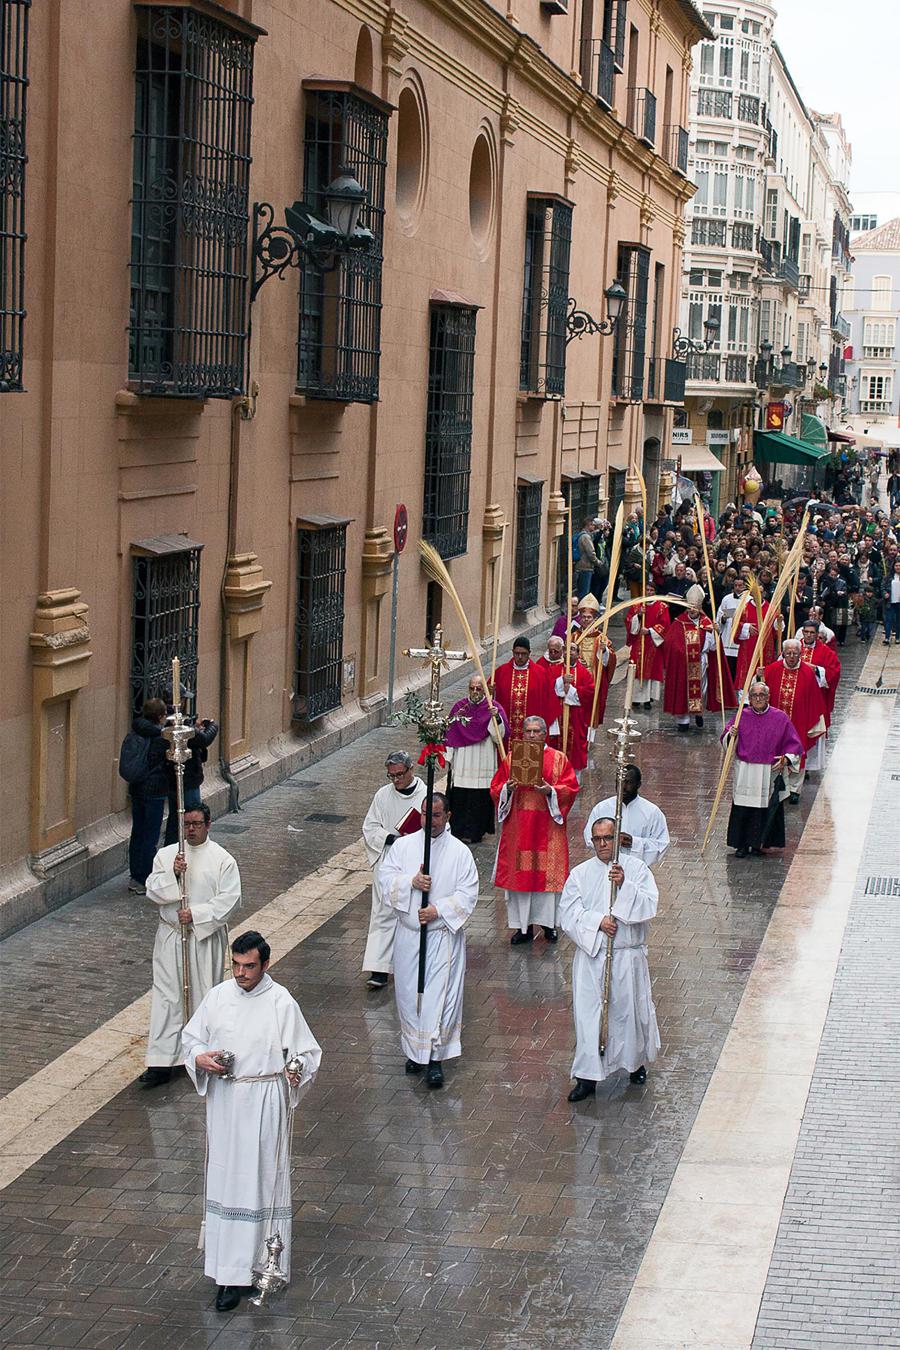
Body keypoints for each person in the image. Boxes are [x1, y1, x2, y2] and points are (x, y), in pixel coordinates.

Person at [182, 931, 321, 1312]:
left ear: (266, 964)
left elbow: (308, 1051)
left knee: (260, 1182)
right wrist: (200, 1059)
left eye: (249, 966)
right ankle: (227, 1274)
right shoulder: (218, 997)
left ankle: (263, 1265)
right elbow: (191, 1038)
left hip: (264, 1103)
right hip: (226, 1102)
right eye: (236, 965)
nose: (241, 973)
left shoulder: (280, 1002)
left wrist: (297, 1071)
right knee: (228, 1182)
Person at [379, 794, 479, 1089]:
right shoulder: (404, 846)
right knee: (410, 998)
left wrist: (438, 910)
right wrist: (410, 883)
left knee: (439, 999)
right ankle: (415, 1052)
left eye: (435, 815)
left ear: (448, 815)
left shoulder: (460, 853)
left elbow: (468, 893)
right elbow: (385, 879)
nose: (429, 821)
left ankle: (435, 1059)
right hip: (410, 937)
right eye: (424, 814)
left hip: (441, 939)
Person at [139, 802, 241, 1087]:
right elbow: (152, 890)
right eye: (186, 825)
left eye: (196, 824)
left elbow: (230, 900)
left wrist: (196, 915)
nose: (191, 830)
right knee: (167, 998)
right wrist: (172, 874)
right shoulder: (167, 855)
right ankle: (161, 1062)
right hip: (171, 937)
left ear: (209, 824)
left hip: (203, 939)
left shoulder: (223, 860)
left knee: (202, 995)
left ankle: (200, 1054)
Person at [560, 817, 660, 1102]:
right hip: (594, 958)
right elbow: (568, 913)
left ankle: (634, 1064)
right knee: (591, 1017)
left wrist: (625, 884)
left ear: (618, 838)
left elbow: (649, 905)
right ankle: (587, 1077)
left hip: (627, 958)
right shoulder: (580, 874)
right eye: (598, 839)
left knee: (628, 1013)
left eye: (608, 838)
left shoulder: (637, 869)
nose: (603, 844)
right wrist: (597, 922)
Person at [490, 715, 579, 945]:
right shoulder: (512, 758)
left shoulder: (559, 759)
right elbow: (496, 787)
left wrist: (550, 790)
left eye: (536, 731)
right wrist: (507, 790)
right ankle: (524, 928)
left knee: (547, 882)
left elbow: (570, 788)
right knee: (521, 882)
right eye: (527, 731)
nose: (531, 735)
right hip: (520, 829)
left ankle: (549, 926)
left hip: (547, 831)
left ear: (545, 733)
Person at [361, 752, 428, 990]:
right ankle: (379, 968)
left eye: (400, 775)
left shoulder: (426, 796)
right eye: (392, 776)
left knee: (411, 913)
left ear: (411, 770)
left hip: (414, 862)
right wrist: (390, 837)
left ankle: (410, 965)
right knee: (383, 912)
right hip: (389, 859)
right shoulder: (382, 795)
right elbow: (369, 827)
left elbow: (439, 826)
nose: (396, 780)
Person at [721, 684, 803, 858]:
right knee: (743, 808)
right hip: (746, 771)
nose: (758, 698)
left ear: (768, 697)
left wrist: (786, 759)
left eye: (762, 695)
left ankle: (759, 844)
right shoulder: (741, 716)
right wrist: (732, 734)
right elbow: (726, 739)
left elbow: (794, 745)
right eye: (754, 695)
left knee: (763, 809)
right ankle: (741, 845)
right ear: (749, 698)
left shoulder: (780, 718)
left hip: (768, 771)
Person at [662, 583, 736, 731]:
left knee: (701, 690)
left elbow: (714, 648)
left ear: (699, 607)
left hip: (701, 662)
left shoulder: (707, 623)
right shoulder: (678, 623)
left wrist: (716, 633)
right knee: (683, 691)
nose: (692, 611)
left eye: (695, 608)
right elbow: (670, 643)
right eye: (690, 607)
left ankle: (698, 712)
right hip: (682, 665)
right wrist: (680, 653)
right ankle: (683, 721)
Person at [445, 678, 509, 844]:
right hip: (463, 763)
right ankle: (458, 829)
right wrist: (448, 756)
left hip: (483, 759)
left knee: (478, 800)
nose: (475, 692)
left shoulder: (493, 708)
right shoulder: (460, 708)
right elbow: (450, 733)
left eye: (479, 689)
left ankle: (476, 831)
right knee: (461, 799)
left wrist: (497, 719)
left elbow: (498, 737)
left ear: (485, 690)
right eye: (472, 688)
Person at [764, 640, 827, 803]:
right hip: (775, 724)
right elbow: (762, 695)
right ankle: (777, 786)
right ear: (783, 653)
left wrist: (813, 722)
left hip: (799, 721)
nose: (792, 657)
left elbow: (815, 700)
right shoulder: (771, 670)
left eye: (795, 654)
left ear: (800, 654)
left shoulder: (807, 673)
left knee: (797, 752)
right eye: (788, 653)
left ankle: (794, 789)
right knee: (776, 753)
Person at [582, 765, 670, 867]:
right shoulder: (601, 808)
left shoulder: (652, 812)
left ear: (638, 784)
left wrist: (633, 842)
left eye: (628, 782)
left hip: (637, 870)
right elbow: (589, 838)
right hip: (606, 867)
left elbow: (661, 844)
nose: (623, 787)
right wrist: (609, 841)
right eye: (619, 782)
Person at [125, 698, 170, 894]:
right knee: (150, 836)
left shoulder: (136, 731)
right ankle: (145, 878)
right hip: (155, 792)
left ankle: (135, 876)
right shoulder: (160, 739)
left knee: (138, 832)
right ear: (160, 717)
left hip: (137, 789)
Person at [538, 635, 595, 780]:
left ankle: (573, 781)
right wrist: (560, 681)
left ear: (578, 653)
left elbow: (590, 692)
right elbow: (546, 687)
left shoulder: (585, 673)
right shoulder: (554, 669)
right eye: (567, 649)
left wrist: (571, 690)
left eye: (573, 649)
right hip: (557, 719)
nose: (570, 652)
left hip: (575, 721)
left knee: (574, 751)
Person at [164, 712, 219, 845]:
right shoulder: (181, 730)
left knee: (175, 819)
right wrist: (213, 725)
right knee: (191, 816)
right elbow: (204, 739)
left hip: (174, 780)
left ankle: (173, 848)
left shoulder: (166, 728)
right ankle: (187, 848)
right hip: (188, 780)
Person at [491, 637, 557, 744]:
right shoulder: (501, 672)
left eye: (524, 653)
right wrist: (491, 692)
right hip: (507, 733)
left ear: (529, 653)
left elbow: (550, 702)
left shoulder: (540, 674)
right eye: (517, 653)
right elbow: (490, 701)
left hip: (532, 734)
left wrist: (553, 729)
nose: (520, 657)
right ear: (512, 652)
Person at [625, 579, 670, 709]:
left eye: (651, 590)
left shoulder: (662, 606)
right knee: (636, 669)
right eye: (647, 590)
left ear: (655, 592)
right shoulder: (637, 605)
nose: (649, 592)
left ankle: (647, 699)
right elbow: (628, 621)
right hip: (639, 642)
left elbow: (665, 625)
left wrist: (650, 631)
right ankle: (636, 698)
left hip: (653, 643)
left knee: (651, 671)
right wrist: (638, 616)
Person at [572, 594, 617, 727]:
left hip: (594, 677)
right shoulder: (574, 636)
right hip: (577, 678)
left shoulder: (601, 638)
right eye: (584, 617)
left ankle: (590, 734)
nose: (586, 620)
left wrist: (604, 651)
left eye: (589, 617)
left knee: (591, 709)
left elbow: (611, 660)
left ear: (594, 619)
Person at [799, 619, 841, 725]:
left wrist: (816, 669)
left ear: (817, 634)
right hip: (796, 696)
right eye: (806, 632)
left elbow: (834, 673)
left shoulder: (827, 652)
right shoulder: (793, 648)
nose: (808, 635)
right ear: (802, 632)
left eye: (812, 632)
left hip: (816, 697)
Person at [715, 576, 747, 679]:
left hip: (741, 638)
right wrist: (723, 618)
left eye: (740, 586)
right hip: (727, 637)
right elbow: (719, 617)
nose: (738, 588)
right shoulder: (726, 599)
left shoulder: (749, 600)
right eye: (736, 585)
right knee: (727, 671)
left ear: (745, 586)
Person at [575, 516, 601, 599]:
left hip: (582, 566)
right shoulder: (586, 537)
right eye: (592, 525)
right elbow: (591, 553)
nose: (594, 527)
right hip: (585, 567)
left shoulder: (583, 535)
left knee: (583, 590)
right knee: (584, 592)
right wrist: (597, 562)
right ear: (588, 525)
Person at [882, 558, 900, 644]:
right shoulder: (888, 576)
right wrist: (885, 593)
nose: (898, 567)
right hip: (890, 602)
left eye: (899, 566)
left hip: (899, 602)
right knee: (889, 620)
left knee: (898, 620)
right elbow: (883, 587)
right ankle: (887, 637)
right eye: (896, 565)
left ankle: (898, 637)